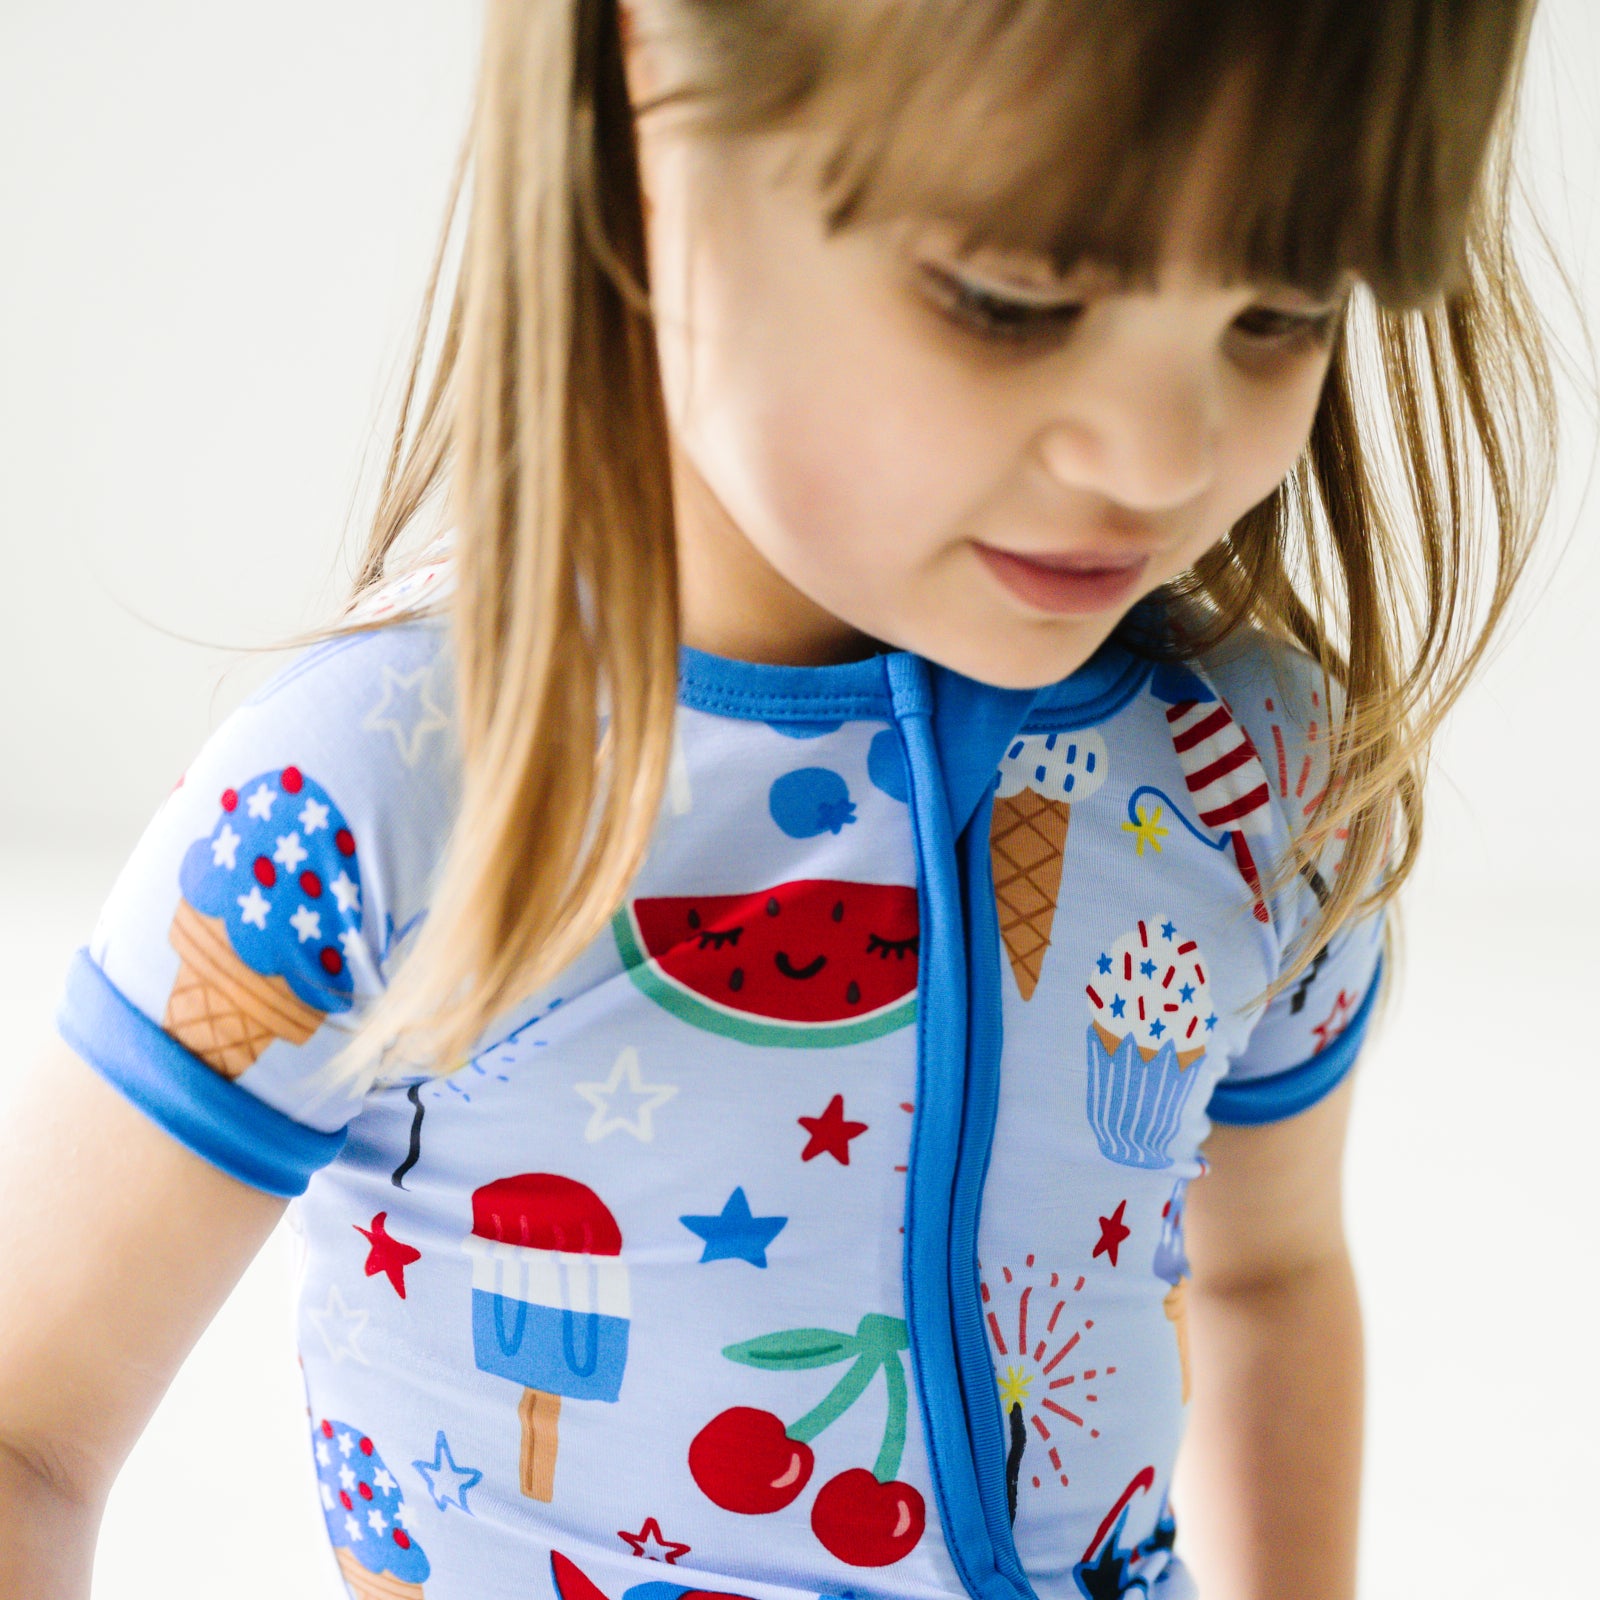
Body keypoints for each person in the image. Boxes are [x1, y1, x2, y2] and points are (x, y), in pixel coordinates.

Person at [0, 2, 1559, 1597]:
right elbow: (27, 1432)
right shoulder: (375, 793)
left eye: (1280, 313)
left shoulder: (1261, 778)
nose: (1162, 452)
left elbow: (1272, 1278)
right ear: (648, 99)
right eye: (1013, 300)